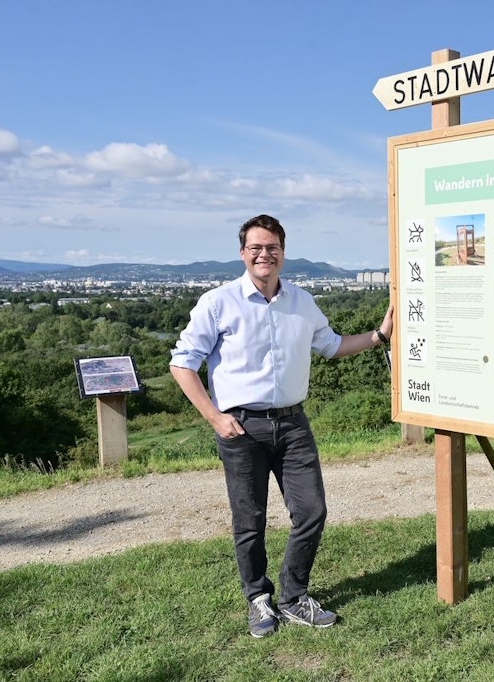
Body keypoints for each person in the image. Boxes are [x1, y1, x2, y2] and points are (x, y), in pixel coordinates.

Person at [169, 214, 394, 638]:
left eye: (272, 247)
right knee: (249, 520)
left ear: (283, 253)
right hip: (241, 428)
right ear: (242, 253)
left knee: (312, 511)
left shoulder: (301, 301)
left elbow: (333, 345)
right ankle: (258, 598)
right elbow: (182, 364)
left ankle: (293, 597)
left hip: (293, 424)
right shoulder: (217, 303)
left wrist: (380, 335)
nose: (264, 255)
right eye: (256, 247)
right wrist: (214, 417)